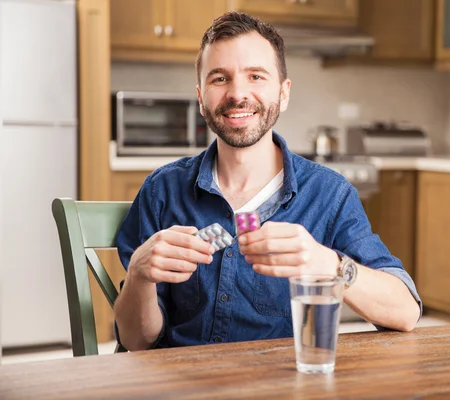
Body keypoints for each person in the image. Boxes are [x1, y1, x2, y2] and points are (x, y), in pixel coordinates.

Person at [113, 11, 422, 351]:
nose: (237, 93)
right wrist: (140, 276)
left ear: (284, 93)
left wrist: (329, 264)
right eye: (220, 79)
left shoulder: (329, 195)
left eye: (256, 76)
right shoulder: (162, 190)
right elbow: (135, 341)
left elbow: (405, 312)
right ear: (201, 98)